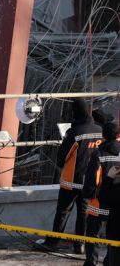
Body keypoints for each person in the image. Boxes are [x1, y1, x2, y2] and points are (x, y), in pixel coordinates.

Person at [44, 99, 102, 253]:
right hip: (89, 181)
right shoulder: (100, 131)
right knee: (83, 214)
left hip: (72, 181)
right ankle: (80, 245)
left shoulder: (75, 132)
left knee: (63, 212)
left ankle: (52, 242)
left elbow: (63, 156)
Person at [82, 121, 120, 266]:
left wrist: (87, 194)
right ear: (118, 135)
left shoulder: (98, 153)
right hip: (116, 205)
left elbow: (92, 178)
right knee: (113, 235)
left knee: (93, 235)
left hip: (98, 202)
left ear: (103, 135)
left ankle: (91, 262)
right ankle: (109, 261)